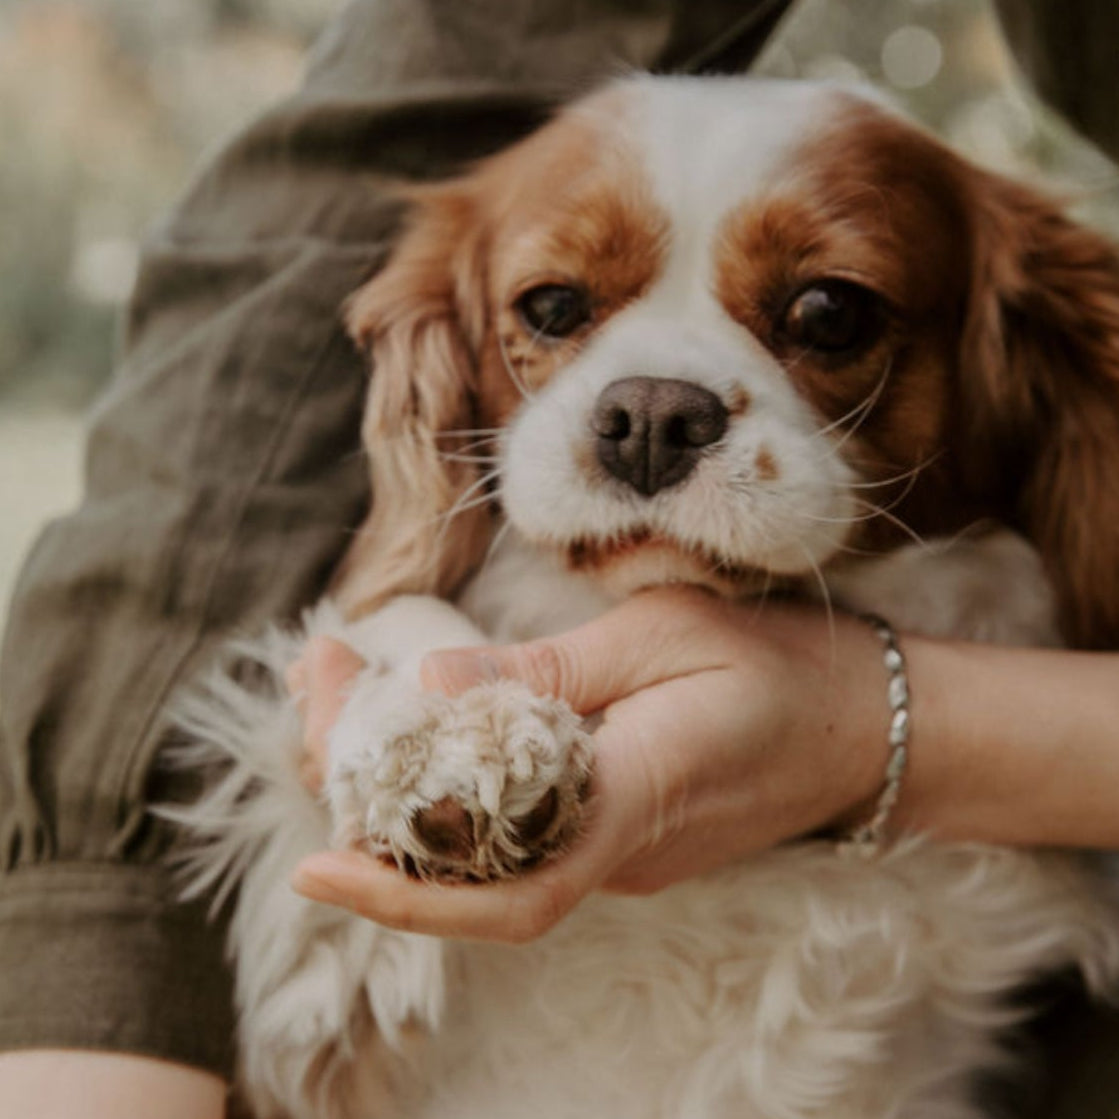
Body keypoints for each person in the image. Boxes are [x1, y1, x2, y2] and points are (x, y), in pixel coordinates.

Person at [0, 1, 1116, 1116]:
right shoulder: (406, 667)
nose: (647, 411)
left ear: (1013, 372)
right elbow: (338, 180)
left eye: (826, 319)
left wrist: (876, 727)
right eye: (556, 307)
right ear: (461, 349)